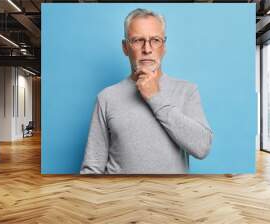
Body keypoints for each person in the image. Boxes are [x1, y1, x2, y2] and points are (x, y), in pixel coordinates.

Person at [80, 8, 213, 174]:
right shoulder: (106, 97)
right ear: (125, 47)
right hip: (118, 197)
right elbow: (92, 167)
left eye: (155, 40)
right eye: (137, 40)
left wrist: (155, 98)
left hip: (171, 198)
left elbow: (202, 147)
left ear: (164, 46)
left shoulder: (187, 91)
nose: (147, 49)